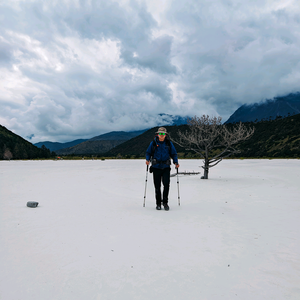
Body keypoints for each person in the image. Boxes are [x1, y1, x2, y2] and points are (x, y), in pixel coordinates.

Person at [145, 127, 180, 211]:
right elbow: (148, 152)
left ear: (165, 135)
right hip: (156, 167)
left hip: (166, 167)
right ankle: (158, 203)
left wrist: (176, 162)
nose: (161, 135)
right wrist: (147, 159)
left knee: (166, 185)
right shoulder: (153, 143)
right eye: (160, 133)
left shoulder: (168, 143)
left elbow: (174, 154)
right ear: (157, 134)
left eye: (163, 134)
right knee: (157, 186)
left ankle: (165, 203)